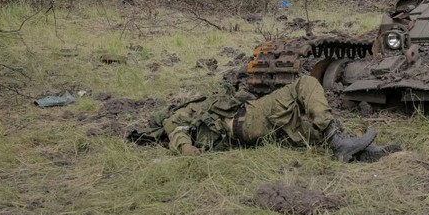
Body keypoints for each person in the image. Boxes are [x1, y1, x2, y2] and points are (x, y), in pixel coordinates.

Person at [159, 76, 394, 161]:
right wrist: (187, 148)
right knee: (305, 83)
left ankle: (364, 151)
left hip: (259, 132)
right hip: (249, 119)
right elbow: (174, 128)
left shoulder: (201, 108)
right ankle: (339, 141)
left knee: (318, 133)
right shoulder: (183, 114)